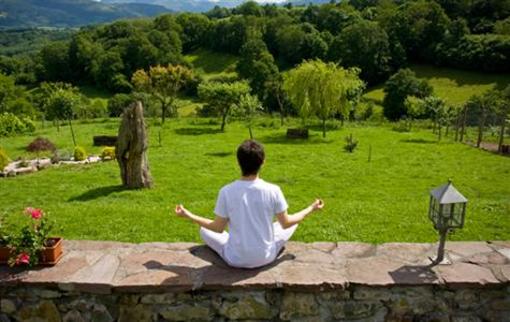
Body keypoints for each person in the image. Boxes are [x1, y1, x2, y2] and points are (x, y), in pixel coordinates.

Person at [175, 139, 324, 268]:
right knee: (292, 222)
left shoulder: (226, 191)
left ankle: (238, 245)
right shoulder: (274, 190)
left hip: (235, 259)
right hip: (266, 257)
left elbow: (217, 228)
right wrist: (311, 208)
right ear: (263, 162)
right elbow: (286, 223)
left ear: (238, 162)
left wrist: (188, 215)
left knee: (204, 230)